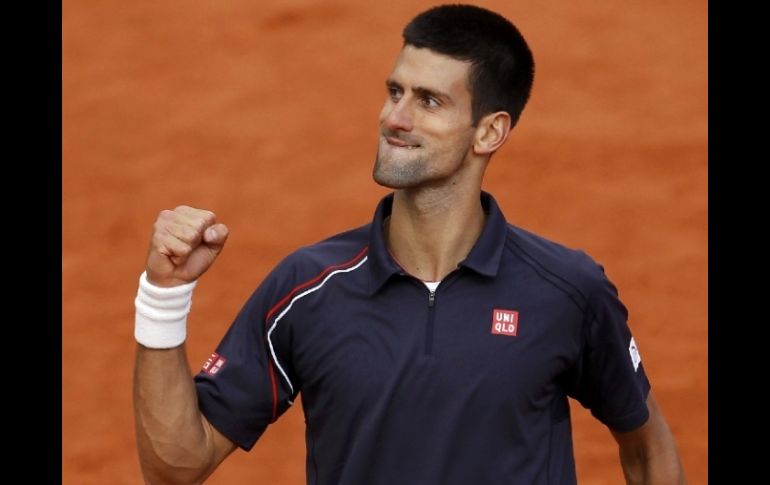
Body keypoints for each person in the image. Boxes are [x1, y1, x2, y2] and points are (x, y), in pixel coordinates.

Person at [133, 4, 686, 484]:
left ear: (489, 131)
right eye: (395, 91)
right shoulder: (307, 289)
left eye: (429, 101)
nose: (394, 118)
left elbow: (647, 449)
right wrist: (163, 295)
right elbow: (178, 466)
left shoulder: (567, 291)